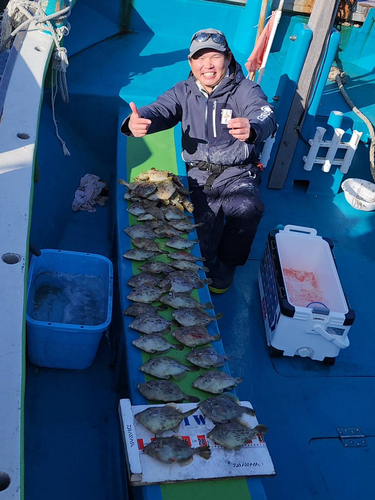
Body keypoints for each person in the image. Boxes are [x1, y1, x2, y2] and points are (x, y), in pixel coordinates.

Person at [121, 28, 276, 293]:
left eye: (214, 56)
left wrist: (252, 128)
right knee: (200, 248)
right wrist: (136, 121)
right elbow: (159, 109)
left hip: (237, 174)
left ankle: (228, 265)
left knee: (247, 208)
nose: (207, 65)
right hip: (198, 177)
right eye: (199, 58)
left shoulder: (246, 90)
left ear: (227, 58)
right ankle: (212, 249)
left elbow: (265, 114)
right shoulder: (182, 91)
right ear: (191, 63)